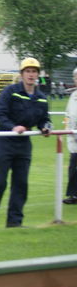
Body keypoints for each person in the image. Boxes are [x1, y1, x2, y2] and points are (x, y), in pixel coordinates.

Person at [0, 58, 51, 230]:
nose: (31, 75)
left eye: (34, 72)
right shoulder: (10, 92)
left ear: (38, 75)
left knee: (21, 184)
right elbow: (0, 115)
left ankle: (14, 222)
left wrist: (46, 127)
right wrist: (13, 127)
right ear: (21, 74)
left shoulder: (41, 98)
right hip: (4, 142)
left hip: (23, 145)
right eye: (28, 71)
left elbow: (44, 119)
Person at [62, 67, 77, 205]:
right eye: (75, 77)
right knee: (73, 167)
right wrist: (65, 127)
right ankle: (74, 195)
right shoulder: (73, 96)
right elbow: (67, 114)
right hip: (73, 139)